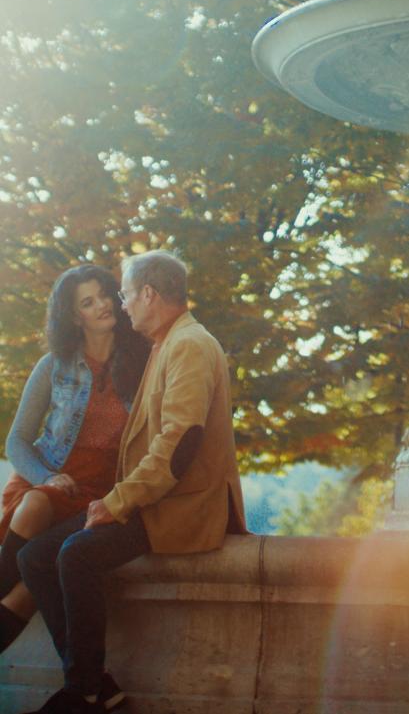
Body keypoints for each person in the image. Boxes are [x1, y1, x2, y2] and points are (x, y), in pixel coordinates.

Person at [18, 249, 247, 714]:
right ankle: (97, 684)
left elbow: (178, 446)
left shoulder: (189, 345)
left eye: (123, 295)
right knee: (33, 556)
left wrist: (117, 502)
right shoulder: (167, 343)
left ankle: (81, 693)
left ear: (148, 294)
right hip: (155, 498)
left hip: (178, 506)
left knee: (75, 554)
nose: (120, 307)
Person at [0, 264, 149, 658]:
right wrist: (46, 477)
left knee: (28, 591)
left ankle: (90, 684)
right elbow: (15, 442)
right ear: (73, 315)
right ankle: (92, 685)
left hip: (97, 492)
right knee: (35, 502)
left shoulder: (141, 365)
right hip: (45, 480)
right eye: (88, 301)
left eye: (105, 295)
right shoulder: (54, 366)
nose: (102, 305)